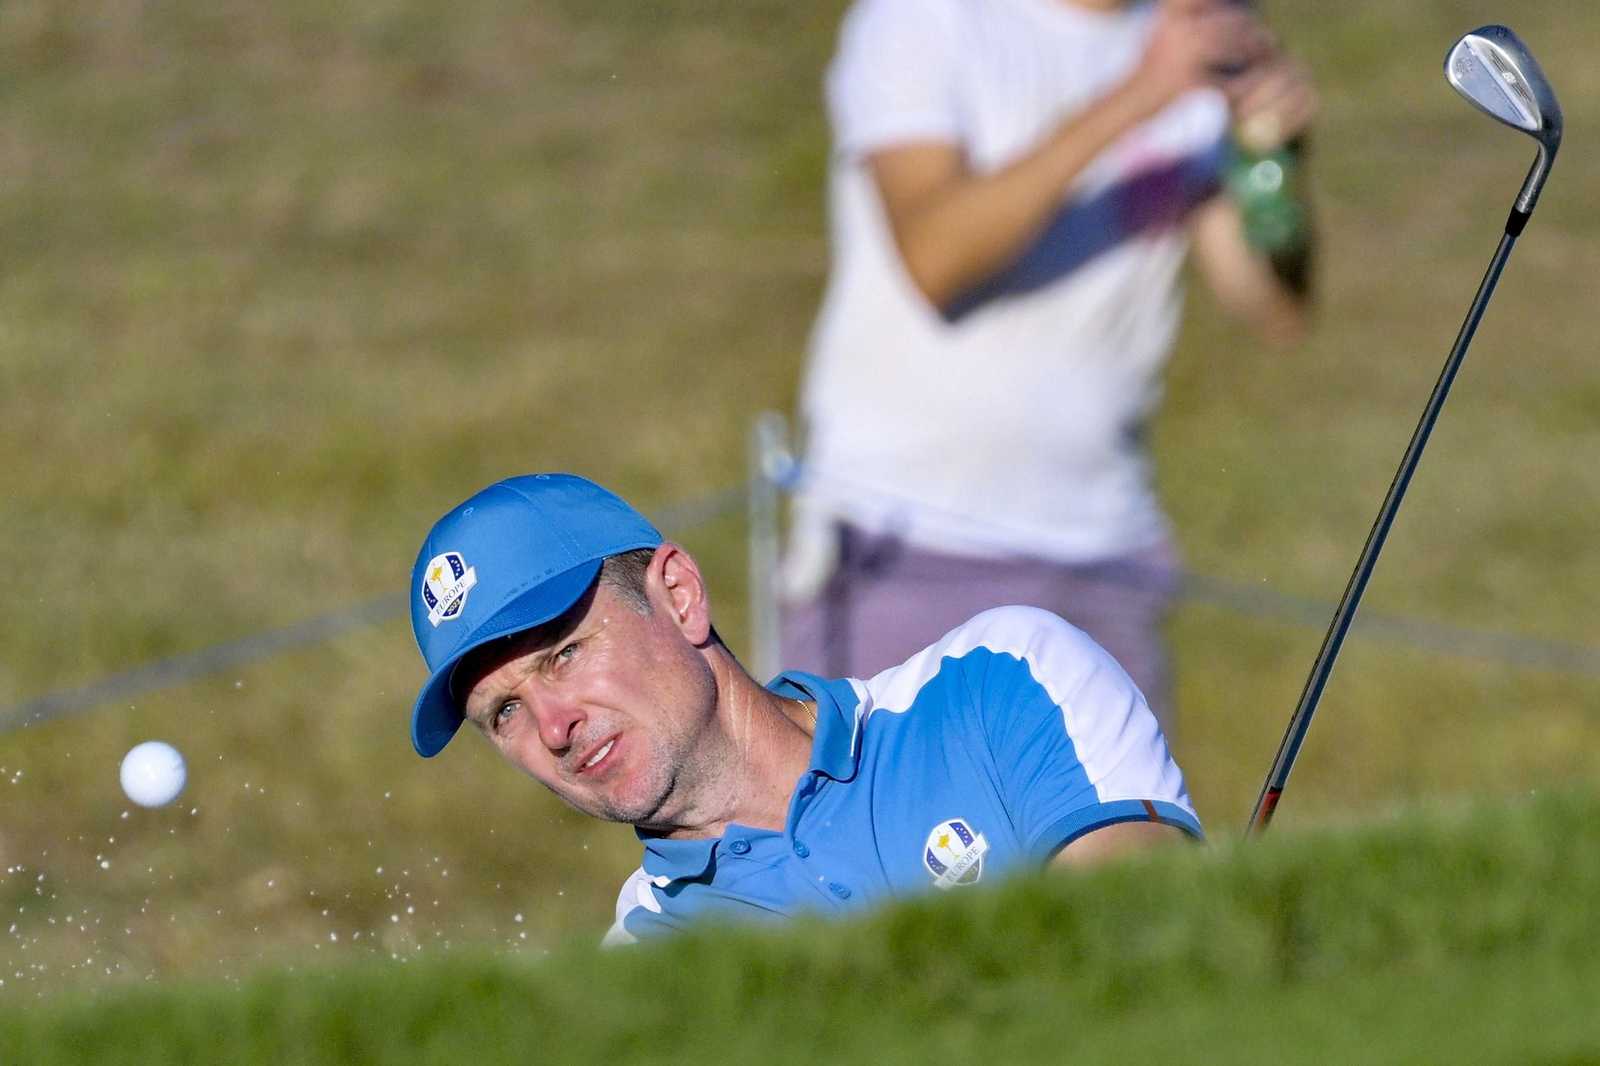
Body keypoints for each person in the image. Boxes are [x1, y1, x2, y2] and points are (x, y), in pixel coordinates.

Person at [781, 0, 1319, 729]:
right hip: (905, 543)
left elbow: (1277, 312)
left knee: (1130, 840)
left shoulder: (1195, 38)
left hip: (1105, 550)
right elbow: (938, 260)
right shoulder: (923, 19)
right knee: (884, 839)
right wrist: (1137, 97)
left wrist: (1277, 162)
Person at [409, 473, 1201, 944]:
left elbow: (1139, 941)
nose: (554, 729)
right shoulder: (649, 965)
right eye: (505, 713)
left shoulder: (1003, 677)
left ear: (679, 597)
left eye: (565, 655)